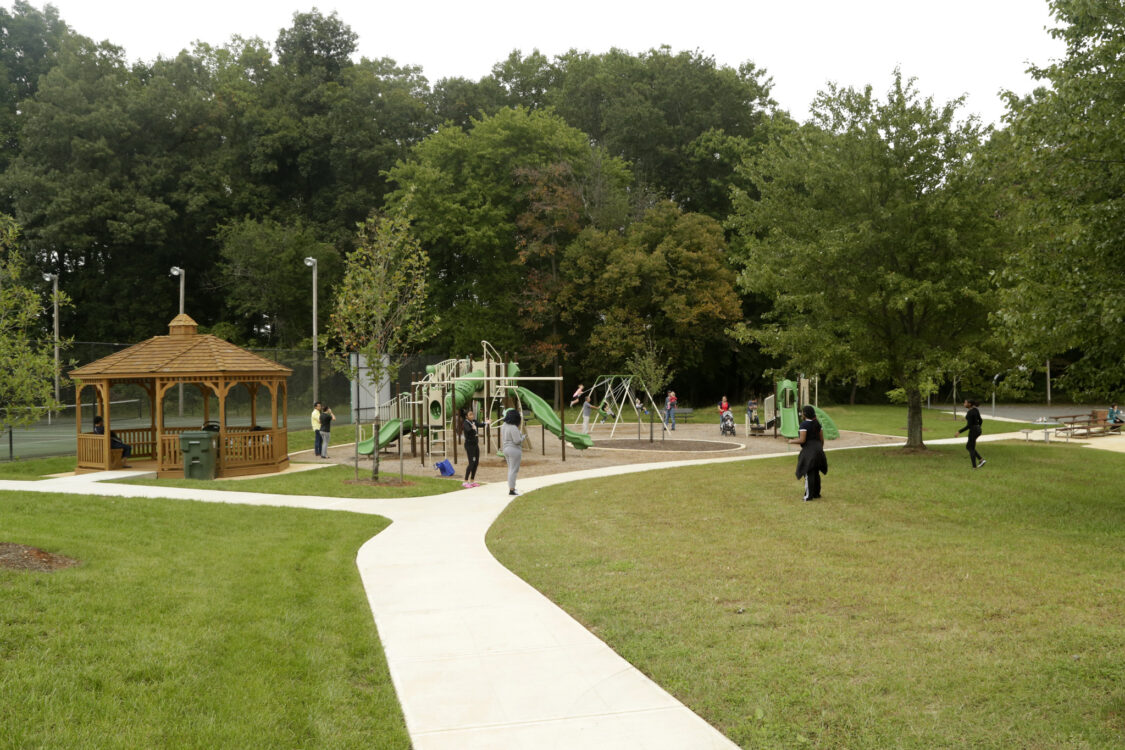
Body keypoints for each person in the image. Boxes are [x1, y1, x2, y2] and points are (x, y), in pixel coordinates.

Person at [788, 405, 827, 500]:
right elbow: (822, 439)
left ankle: (808, 496)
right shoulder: (817, 423)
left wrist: (791, 441)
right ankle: (816, 494)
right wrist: (820, 449)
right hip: (818, 449)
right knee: (816, 472)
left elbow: (802, 440)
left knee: (808, 472)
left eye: (802, 412)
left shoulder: (804, 425)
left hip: (809, 450)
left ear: (805, 414)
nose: (801, 414)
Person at [462, 409, 490, 487]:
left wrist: (486, 423)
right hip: (469, 445)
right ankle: (465, 481)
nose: (472, 416)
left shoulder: (474, 421)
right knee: (471, 462)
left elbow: (480, 425)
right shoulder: (465, 423)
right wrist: (473, 428)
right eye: (470, 415)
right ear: (466, 416)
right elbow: (468, 430)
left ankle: (472, 480)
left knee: (476, 463)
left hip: (475, 444)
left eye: (472, 414)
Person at [956, 398, 986, 469]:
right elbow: (981, 420)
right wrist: (978, 427)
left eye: (965, 403)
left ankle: (974, 466)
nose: (964, 404)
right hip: (978, 430)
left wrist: (959, 431)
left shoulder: (970, 413)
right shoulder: (976, 410)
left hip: (973, 431)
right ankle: (981, 460)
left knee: (970, 447)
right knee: (969, 447)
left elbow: (968, 426)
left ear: (969, 404)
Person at [501, 409, 524, 496]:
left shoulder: (504, 425)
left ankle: (511, 487)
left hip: (506, 449)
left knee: (510, 469)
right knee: (513, 470)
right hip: (514, 450)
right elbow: (517, 441)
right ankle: (512, 489)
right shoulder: (513, 427)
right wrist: (522, 437)